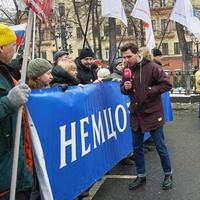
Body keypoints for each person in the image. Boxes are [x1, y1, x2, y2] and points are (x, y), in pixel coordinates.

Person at [120, 43, 173, 190]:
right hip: (136, 115)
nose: (126, 60)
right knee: (137, 148)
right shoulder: (127, 70)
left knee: (160, 147)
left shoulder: (153, 67)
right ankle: (141, 175)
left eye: (129, 56)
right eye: (124, 57)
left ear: (137, 54)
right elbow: (122, 89)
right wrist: (125, 88)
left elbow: (167, 85)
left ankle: (168, 174)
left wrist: (150, 90)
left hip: (153, 114)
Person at [0, 24, 33, 199]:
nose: (16, 48)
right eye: (13, 44)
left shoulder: (7, 72)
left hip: (17, 169)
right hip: (4, 177)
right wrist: (7, 103)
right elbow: (7, 104)